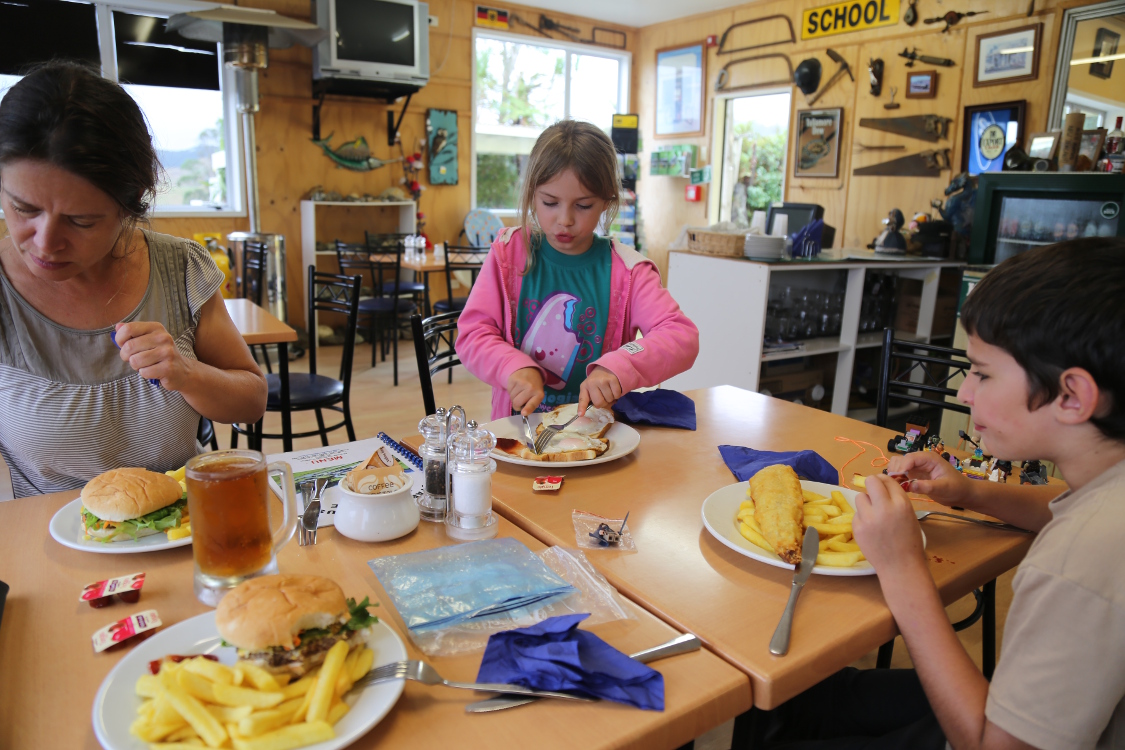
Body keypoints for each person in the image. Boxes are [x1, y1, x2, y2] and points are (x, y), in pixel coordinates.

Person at [761, 238, 1125, 749]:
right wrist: (970, 494)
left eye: (982, 373)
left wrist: (903, 568)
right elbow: (1059, 507)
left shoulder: (1080, 563)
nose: (964, 393)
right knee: (803, 695)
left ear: (1071, 396)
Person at [0, 62, 267, 498]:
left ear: (129, 208)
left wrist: (188, 372)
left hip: (179, 528)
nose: (46, 243)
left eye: (81, 220)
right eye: (24, 209)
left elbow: (252, 402)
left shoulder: (179, 268)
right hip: (50, 545)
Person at [456, 120, 699, 419]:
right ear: (532, 194)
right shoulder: (508, 255)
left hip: (596, 437)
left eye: (583, 206)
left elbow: (681, 336)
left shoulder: (629, 272)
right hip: (518, 434)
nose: (565, 219)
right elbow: (473, 334)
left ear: (607, 201)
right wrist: (512, 366)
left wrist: (621, 364)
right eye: (550, 202)